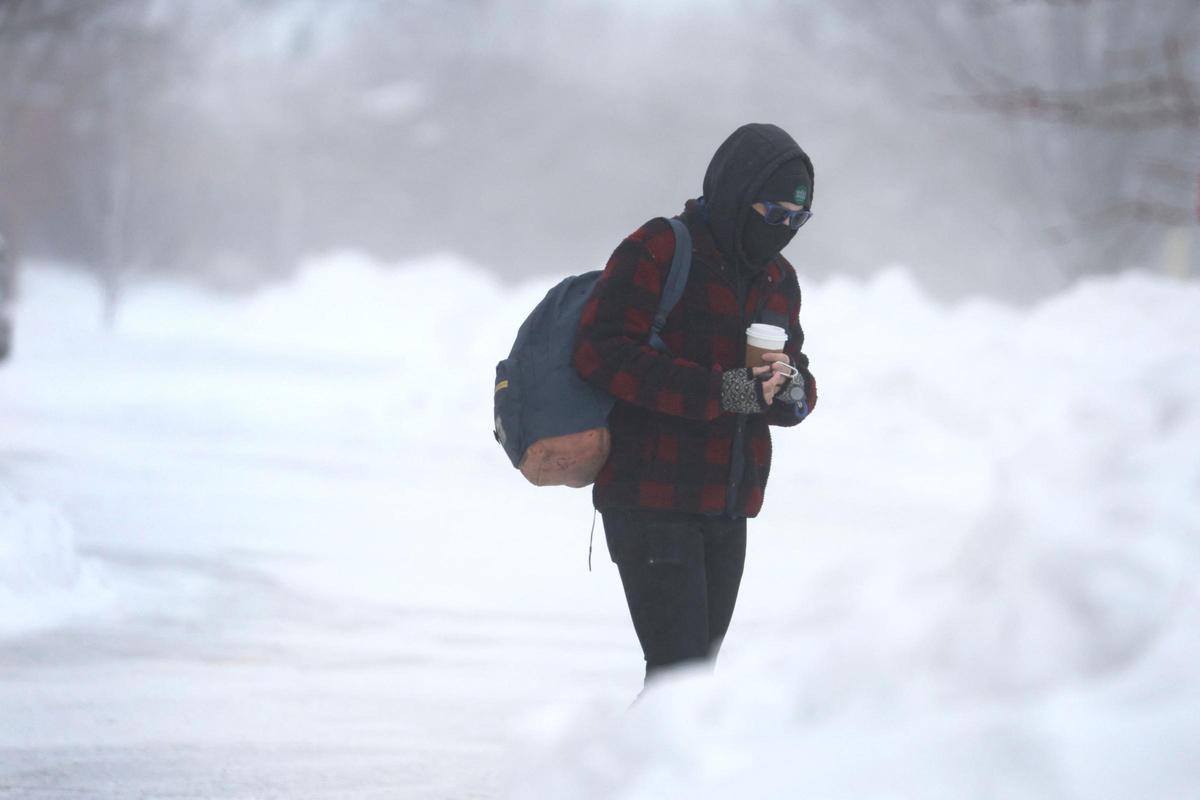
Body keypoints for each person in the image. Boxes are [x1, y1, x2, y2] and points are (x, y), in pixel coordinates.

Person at [572, 122, 818, 698]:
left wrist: (791, 392)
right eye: (773, 213)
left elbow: (796, 370)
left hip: (729, 504)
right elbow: (600, 353)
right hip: (651, 499)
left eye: (796, 220)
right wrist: (726, 391)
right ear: (736, 193)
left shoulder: (778, 279)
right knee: (677, 681)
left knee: (691, 685)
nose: (782, 231)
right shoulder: (661, 249)